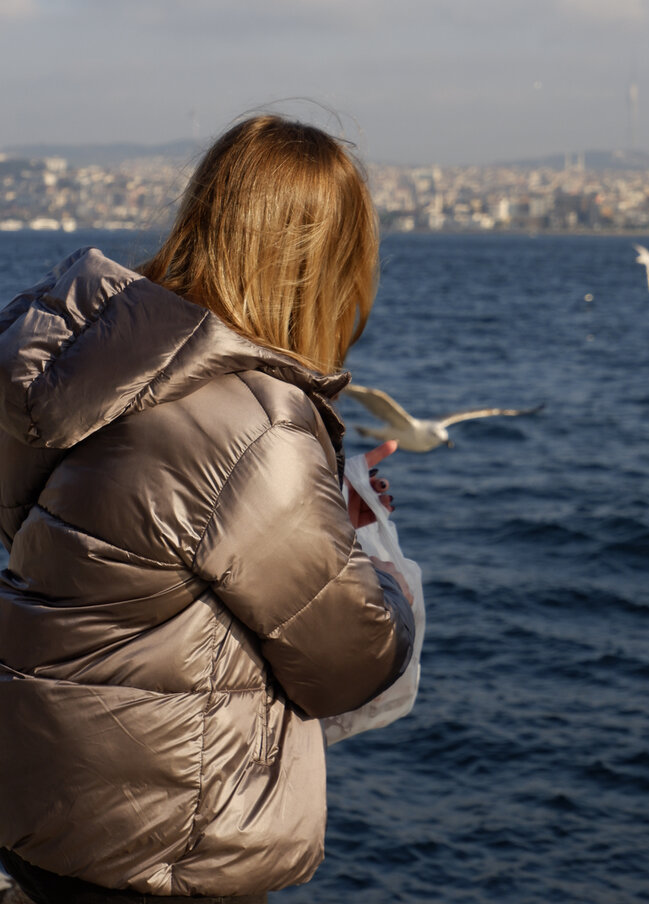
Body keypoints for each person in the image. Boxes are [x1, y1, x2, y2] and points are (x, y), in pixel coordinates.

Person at [0, 115, 415, 903]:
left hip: (44, 805)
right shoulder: (256, 425)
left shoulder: (89, 378)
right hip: (161, 844)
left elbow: (96, 546)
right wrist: (381, 567)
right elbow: (349, 661)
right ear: (324, 266)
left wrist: (320, 520)